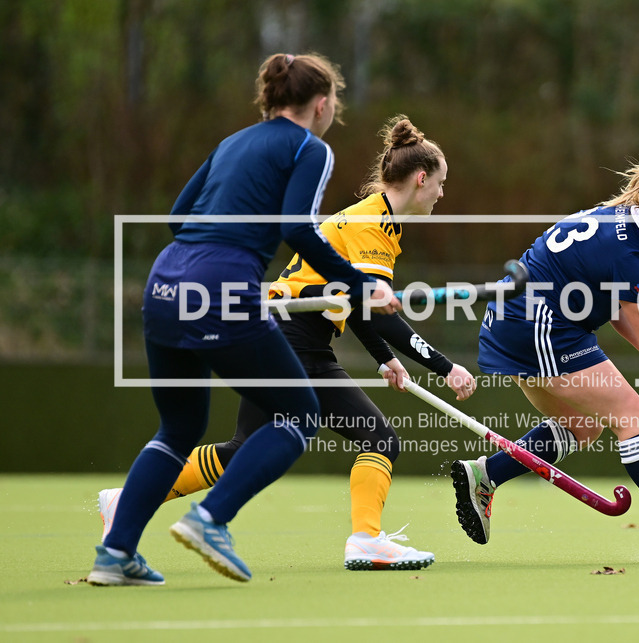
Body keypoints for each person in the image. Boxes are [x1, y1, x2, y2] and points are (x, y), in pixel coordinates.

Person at [98, 115, 475, 571]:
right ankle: (365, 541)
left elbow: (356, 303)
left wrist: (383, 360)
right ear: (421, 178)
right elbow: (376, 308)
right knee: (377, 437)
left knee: (243, 447)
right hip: (296, 339)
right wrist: (444, 367)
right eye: (441, 183)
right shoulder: (370, 224)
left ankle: (126, 500)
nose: (442, 193)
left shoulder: (381, 224)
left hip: (301, 338)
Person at [87, 53, 400, 587]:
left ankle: (115, 554)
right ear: (321, 104)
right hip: (221, 289)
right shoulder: (309, 148)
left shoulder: (232, 142)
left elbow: (177, 217)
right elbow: (298, 230)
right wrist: (358, 282)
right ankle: (211, 520)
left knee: (179, 427)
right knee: (299, 412)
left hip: (164, 285)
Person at [451, 154, 639, 563]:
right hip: (536, 324)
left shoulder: (622, 223)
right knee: (632, 415)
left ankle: (486, 475)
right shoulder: (629, 250)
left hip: (518, 321)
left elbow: (613, 307)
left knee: (583, 425)